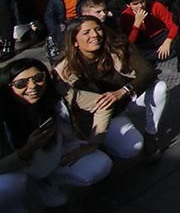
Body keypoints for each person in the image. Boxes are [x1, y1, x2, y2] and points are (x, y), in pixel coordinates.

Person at [0, 58, 113, 209]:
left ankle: (50, 182)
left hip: (55, 155)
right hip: (15, 166)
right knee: (8, 186)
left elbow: (103, 104)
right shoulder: (3, 115)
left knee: (100, 165)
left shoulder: (55, 93)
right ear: (9, 88)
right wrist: (27, 150)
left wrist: (93, 143)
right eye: (21, 84)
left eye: (38, 78)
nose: (33, 86)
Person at [54, 17, 168, 160]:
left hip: (127, 98)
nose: (95, 35)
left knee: (159, 87)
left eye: (98, 29)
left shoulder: (117, 46)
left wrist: (123, 91)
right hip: (105, 113)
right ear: (74, 42)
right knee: (132, 149)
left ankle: (151, 133)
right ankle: (106, 146)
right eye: (86, 32)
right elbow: (76, 110)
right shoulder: (65, 70)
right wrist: (93, 139)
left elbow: (147, 72)